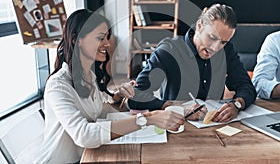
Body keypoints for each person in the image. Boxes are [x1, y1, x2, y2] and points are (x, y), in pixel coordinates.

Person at [35, 9, 184, 164]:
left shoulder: (88, 76)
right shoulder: (58, 86)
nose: (107, 43)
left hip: (86, 157)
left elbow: (101, 111)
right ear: (76, 39)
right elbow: (83, 134)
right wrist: (146, 119)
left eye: (107, 37)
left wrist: (119, 96)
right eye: (100, 38)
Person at [128, 3, 257, 123]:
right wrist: (175, 107)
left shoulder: (226, 51)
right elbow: (136, 96)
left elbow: (246, 86)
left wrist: (237, 104)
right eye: (212, 37)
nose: (215, 47)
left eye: (223, 42)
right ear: (199, 26)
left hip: (214, 127)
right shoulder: (169, 51)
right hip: (175, 127)